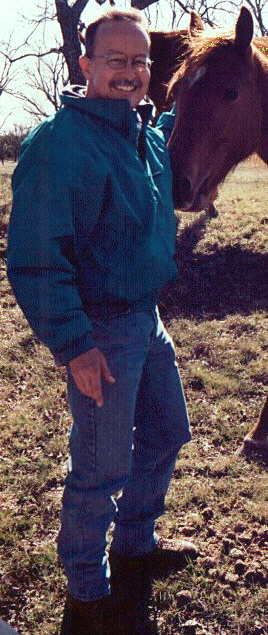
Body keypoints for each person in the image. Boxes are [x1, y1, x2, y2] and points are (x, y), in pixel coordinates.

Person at [7, 9, 195, 635]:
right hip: (100, 332)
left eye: (140, 61)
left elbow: (171, 142)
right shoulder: (60, 144)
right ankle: (87, 594)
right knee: (101, 467)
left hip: (147, 318)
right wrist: (75, 345)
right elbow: (36, 257)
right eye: (115, 59)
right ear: (85, 65)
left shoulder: (143, 134)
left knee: (168, 432)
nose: (130, 71)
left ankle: (134, 544)